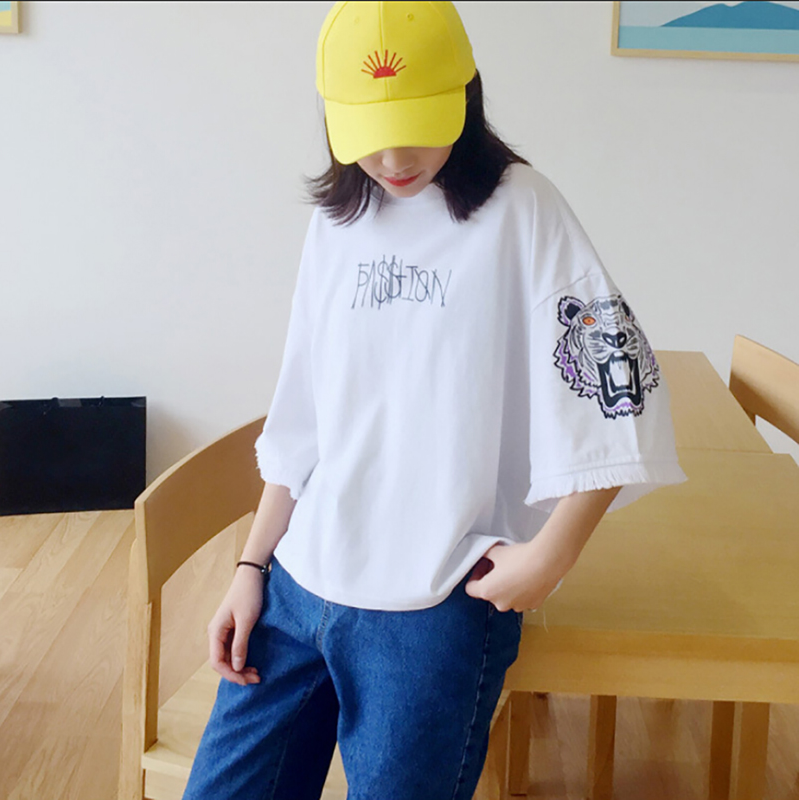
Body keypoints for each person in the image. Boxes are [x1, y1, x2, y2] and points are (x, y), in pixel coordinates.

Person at [183, 3, 687, 799]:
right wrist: (252, 565)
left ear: (466, 94)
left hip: (433, 603)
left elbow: (615, 388)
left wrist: (550, 558)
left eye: (417, 124)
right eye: (369, 131)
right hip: (300, 583)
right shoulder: (339, 219)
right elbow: (305, 416)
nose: (393, 157)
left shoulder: (522, 209)